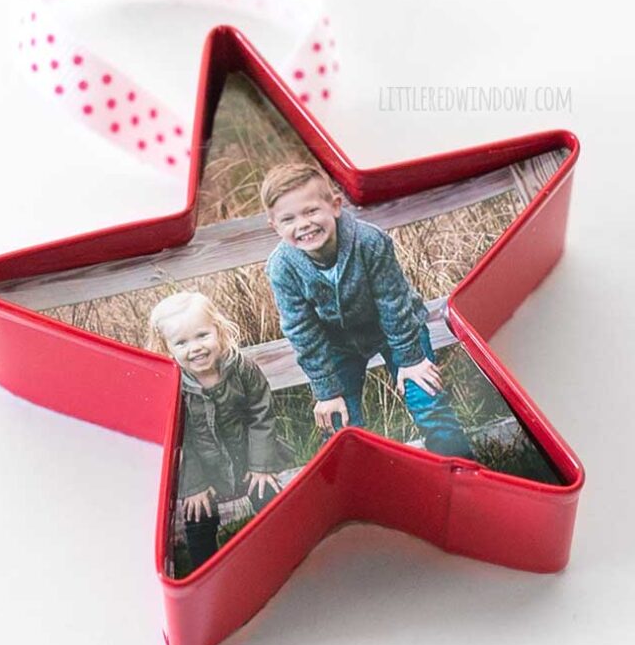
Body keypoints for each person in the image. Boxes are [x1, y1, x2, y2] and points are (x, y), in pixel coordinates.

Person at [262, 162, 475, 459]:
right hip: (337, 345)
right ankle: (363, 483)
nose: (303, 224)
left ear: (335, 206)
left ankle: (461, 471)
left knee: (426, 399)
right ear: (275, 227)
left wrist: (410, 360)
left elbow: (394, 303)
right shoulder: (282, 267)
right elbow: (301, 330)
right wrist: (326, 391)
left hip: (398, 331)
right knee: (339, 424)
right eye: (288, 219)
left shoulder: (369, 242)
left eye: (311, 211)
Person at [149, 291, 285, 570]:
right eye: (182, 342)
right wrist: (194, 486)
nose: (195, 348)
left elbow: (261, 415)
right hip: (202, 471)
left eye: (202, 335)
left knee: (270, 497)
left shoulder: (242, 368)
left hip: (247, 460)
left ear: (218, 330)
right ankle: (206, 572)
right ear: (167, 347)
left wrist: (261, 466)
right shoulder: (173, 387)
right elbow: (178, 441)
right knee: (198, 516)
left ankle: (284, 553)